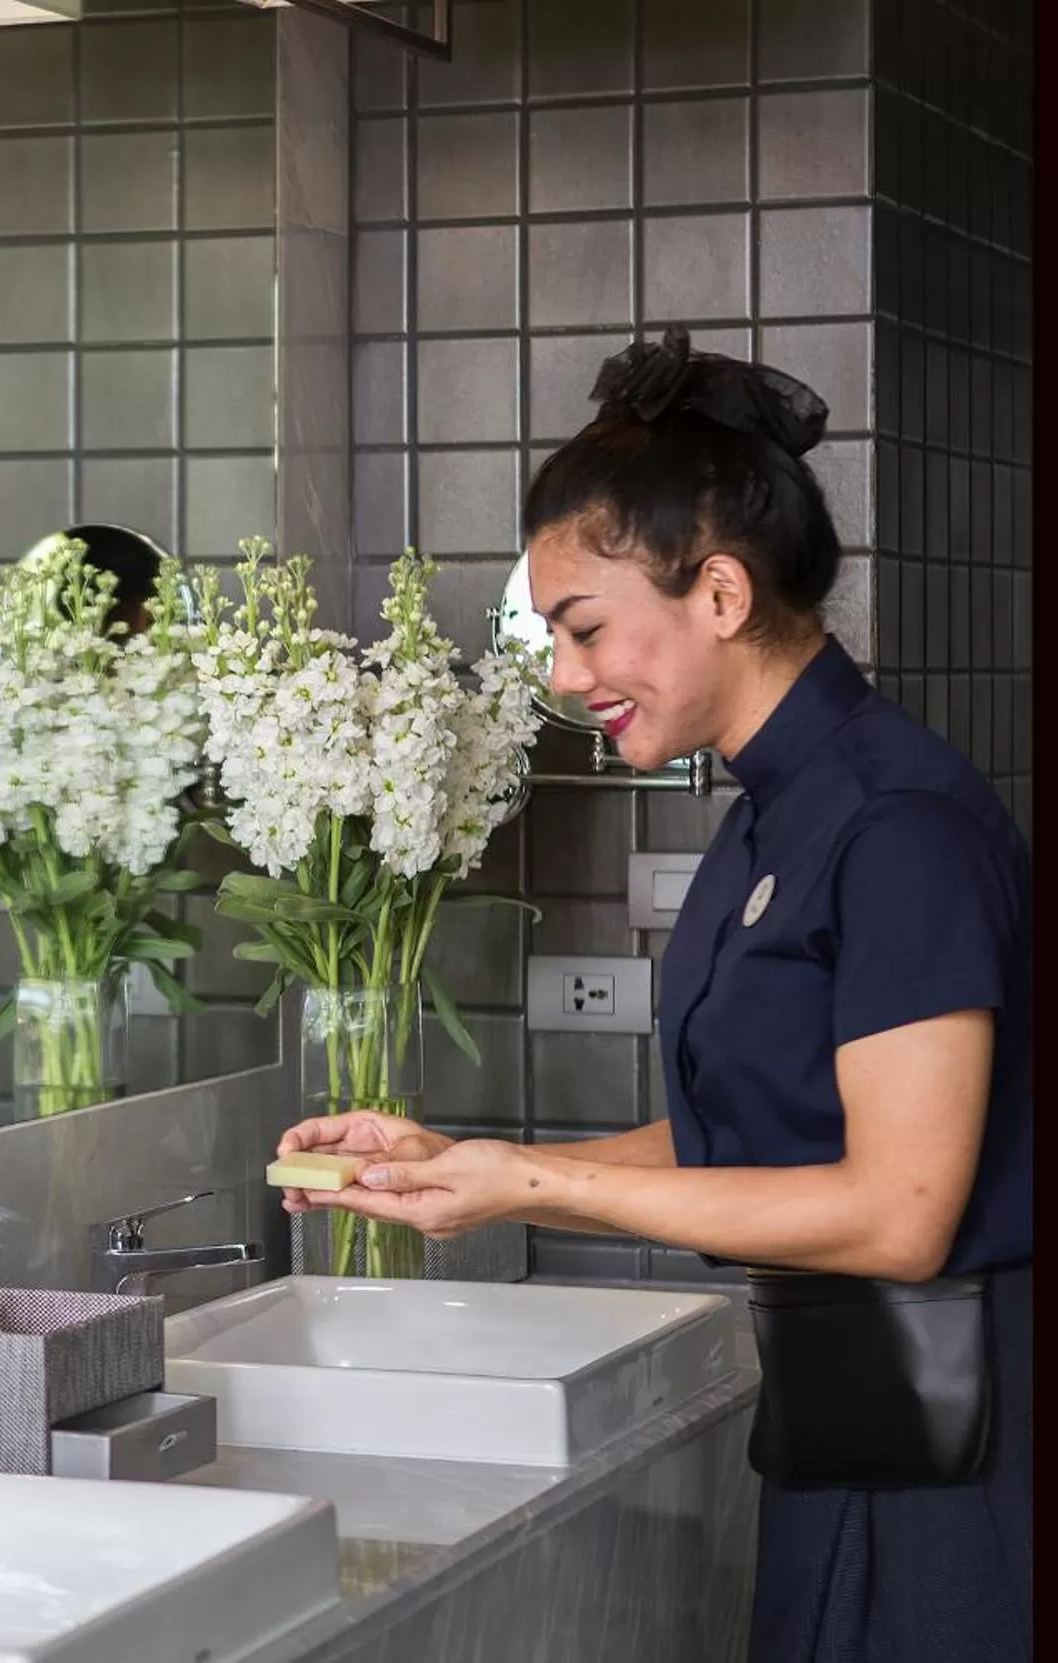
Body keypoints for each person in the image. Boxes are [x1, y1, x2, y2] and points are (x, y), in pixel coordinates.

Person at [274, 329, 1031, 1660]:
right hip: (851, 1417)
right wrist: (468, 1163)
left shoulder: (899, 823)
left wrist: (538, 1186)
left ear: (721, 595)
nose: (566, 676)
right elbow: (762, 1132)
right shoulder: (771, 817)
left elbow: (901, 1212)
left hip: (970, 1450)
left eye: (581, 628)